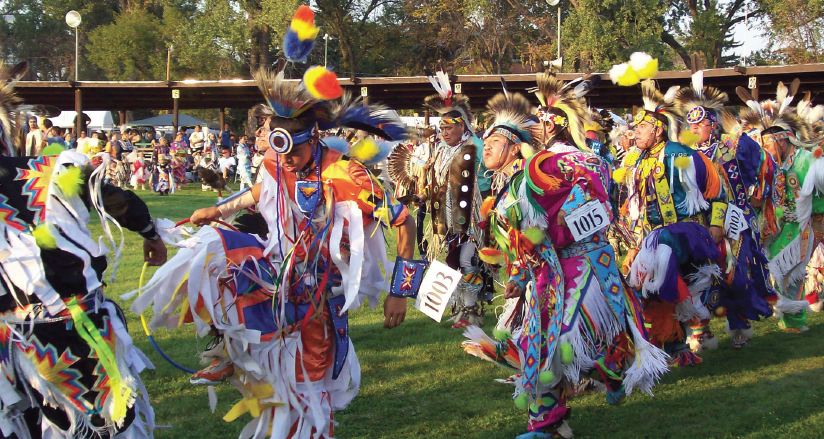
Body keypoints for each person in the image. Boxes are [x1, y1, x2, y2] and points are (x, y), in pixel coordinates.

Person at [133, 59, 418, 438]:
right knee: (215, 250)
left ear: (313, 138)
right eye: (279, 154)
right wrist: (218, 210)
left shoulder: (346, 175)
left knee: (309, 383)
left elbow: (405, 221)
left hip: (320, 297)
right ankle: (228, 353)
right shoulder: (276, 163)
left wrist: (400, 292)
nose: (285, 162)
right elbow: (260, 191)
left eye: (293, 154)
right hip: (277, 277)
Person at [462, 91, 667, 439]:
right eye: (486, 140)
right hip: (548, 274)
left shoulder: (557, 165)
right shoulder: (513, 181)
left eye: (495, 140)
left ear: (515, 146)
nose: (488, 147)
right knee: (538, 344)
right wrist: (520, 273)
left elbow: (596, 202)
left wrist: (562, 229)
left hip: (583, 266)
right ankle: (548, 424)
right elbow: (523, 237)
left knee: (560, 343)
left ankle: (610, 369)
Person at [0, 61, 165, 438]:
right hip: (68, 329)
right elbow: (117, 202)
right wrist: (150, 234)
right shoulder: (52, 168)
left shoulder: (54, 169)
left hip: (32, 338)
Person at [614, 79, 726, 367]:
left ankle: (690, 328)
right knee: (642, 289)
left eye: (641, 128)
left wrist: (715, 224)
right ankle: (673, 345)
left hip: (684, 233)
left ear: (658, 130)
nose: (635, 132)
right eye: (635, 127)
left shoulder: (681, 155)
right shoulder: (635, 161)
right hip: (651, 236)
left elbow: (717, 192)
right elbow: (633, 204)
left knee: (657, 272)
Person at [673, 71, 776, 349]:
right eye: (691, 125)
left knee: (736, 275)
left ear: (712, 124)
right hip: (700, 224)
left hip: (734, 222)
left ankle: (739, 324)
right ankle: (700, 329)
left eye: (701, 124)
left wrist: (742, 136)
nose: (695, 130)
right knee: (698, 277)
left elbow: (759, 161)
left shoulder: (729, 149)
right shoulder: (682, 156)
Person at [389, 70, 491, 328]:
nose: (444, 133)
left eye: (449, 128)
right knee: (454, 260)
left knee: (468, 259)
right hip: (446, 217)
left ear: (462, 126)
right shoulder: (442, 151)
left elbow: (487, 180)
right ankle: (461, 307)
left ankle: (471, 310)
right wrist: (423, 194)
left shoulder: (476, 147)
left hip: (473, 216)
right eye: (441, 128)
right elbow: (437, 181)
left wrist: (486, 209)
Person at [736, 82, 824, 332]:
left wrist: (812, 212)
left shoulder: (807, 160)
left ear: (783, 140)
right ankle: (790, 314)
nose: (765, 150)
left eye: (769, 144)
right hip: (778, 226)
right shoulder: (771, 165)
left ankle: (795, 320)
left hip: (806, 224)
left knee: (791, 270)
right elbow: (761, 195)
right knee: (774, 269)